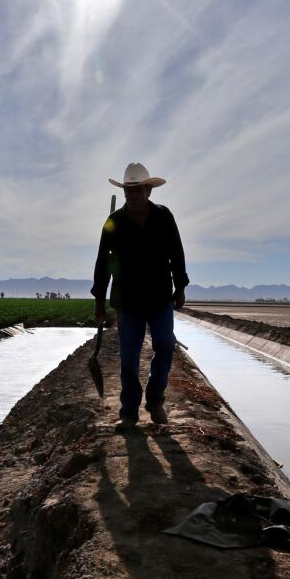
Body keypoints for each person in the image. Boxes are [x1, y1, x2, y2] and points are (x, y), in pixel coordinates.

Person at [91, 162, 189, 429]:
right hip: (128, 299)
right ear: (124, 193)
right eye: (128, 191)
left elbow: (176, 253)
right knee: (129, 356)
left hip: (159, 296)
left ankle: (155, 399)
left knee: (166, 345)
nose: (132, 195)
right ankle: (129, 411)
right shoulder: (114, 223)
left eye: (137, 190)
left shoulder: (163, 217)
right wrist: (99, 300)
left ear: (148, 191)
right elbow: (103, 263)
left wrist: (180, 287)